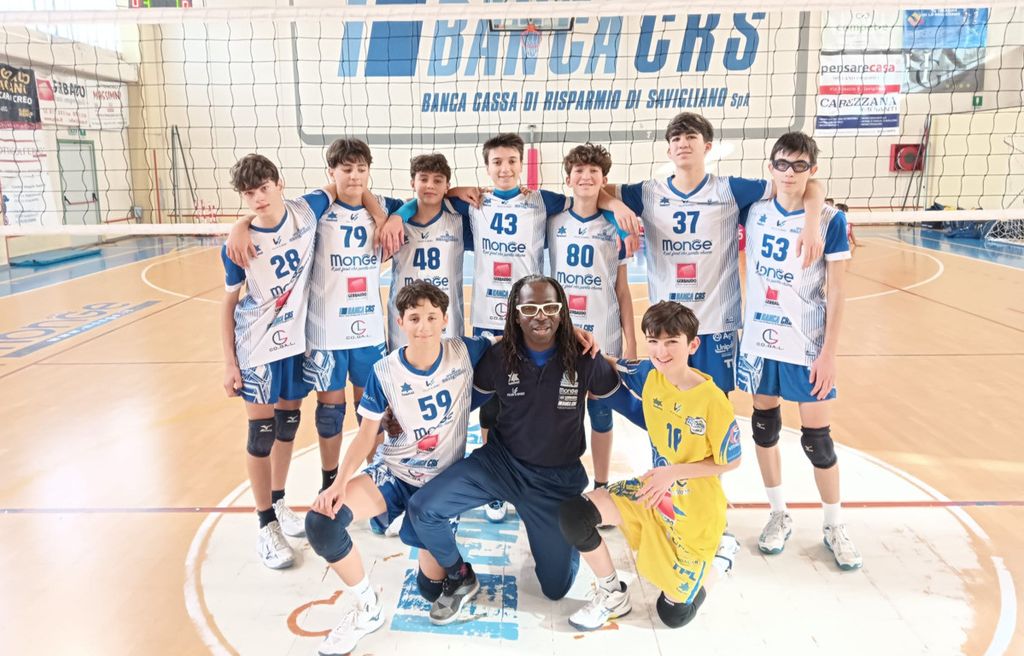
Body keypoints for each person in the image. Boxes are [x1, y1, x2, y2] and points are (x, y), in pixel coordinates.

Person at [443, 132, 638, 522]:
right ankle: (497, 486)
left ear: (522, 164)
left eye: (511, 161)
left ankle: (597, 487)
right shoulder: (474, 203)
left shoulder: (544, 204)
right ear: (486, 167)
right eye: (497, 162)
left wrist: (615, 202)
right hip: (492, 318)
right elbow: (432, 196)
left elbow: (590, 195)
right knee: (495, 404)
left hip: (552, 322)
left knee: (589, 409)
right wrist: (455, 189)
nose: (504, 168)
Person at [405, 275, 620, 624]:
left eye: (550, 307)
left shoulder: (584, 357)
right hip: (501, 465)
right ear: (515, 315)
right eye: (530, 309)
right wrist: (403, 416)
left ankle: (560, 530)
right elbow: (458, 403)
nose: (541, 316)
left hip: (555, 481)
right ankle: (460, 574)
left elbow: (626, 397)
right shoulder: (498, 357)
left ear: (563, 312)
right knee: (424, 508)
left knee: (555, 588)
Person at [304, 281, 497, 656]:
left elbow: (515, 341)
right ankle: (367, 607)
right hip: (395, 472)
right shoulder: (385, 371)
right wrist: (338, 483)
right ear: (400, 322)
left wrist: (572, 333)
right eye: (414, 318)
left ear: (445, 319)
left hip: (440, 487)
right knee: (322, 523)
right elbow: (366, 435)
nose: (423, 326)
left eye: (431, 317)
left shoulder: (464, 351)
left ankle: (446, 561)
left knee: (430, 590)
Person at [225, 139, 404, 512]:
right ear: (331, 173)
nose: (353, 176)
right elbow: (268, 215)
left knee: (371, 412)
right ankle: (328, 485)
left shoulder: (384, 206)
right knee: (329, 413)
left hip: (369, 328)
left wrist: (391, 218)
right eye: (345, 169)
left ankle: (376, 487)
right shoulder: (315, 212)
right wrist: (240, 224)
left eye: (361, 169)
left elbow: (419, 203)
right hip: (324, 331)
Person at [607, 112, 825, 394]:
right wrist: (617, 207)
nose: (683, 143)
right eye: (676, 138)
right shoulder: (648, 192)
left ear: (707, 146)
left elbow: (808, 183)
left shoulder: (730, 189)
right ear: (668, 150)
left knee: (714, 400)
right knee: (669, 398)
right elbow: (595, 190)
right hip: (666, 325)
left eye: (691, 137)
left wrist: (812, 224)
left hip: (716, 322)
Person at [559, 301, 742, 631]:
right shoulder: (650, 375)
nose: (661, 351)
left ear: (692, 345)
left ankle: (722, 557)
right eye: (654, 341)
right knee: (574, 515)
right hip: (653, 496)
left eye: (672, 342)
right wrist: (584, 339)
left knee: (673, 615)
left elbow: (732, 460)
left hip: (694, 515)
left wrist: (673, 472)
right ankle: (612, 594)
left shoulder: (712, 400)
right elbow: (611, 363)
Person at [736, 132, 862, 570]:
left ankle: (834, 525)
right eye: (782, 164)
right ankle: (778, 514)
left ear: (813, 170)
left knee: (817, 441)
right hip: (759, 339)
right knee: (764, 428)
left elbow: (838, 292)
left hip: (806, 344)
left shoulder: (830, 220)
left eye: (799, 165)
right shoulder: (753, 210)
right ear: (770, 167)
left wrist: (829, 354)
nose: (789, 173)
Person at [220, 153, 334, 568]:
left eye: (264, 188)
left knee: (288, 425)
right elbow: (227, 305)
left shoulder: (307, 210)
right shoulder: (238, 246)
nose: (258, 199)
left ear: (279, 183)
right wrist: (229, 363)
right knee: (261, 434)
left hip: (295, 343)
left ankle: (279, 501)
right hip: (256, 346)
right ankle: (265, 524)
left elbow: (342, 185)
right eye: (249, 194)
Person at [547, 142, 636, 490]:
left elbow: (623, 291)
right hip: (562, 336)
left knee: (601, 413)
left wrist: (631, 343)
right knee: (562, 414)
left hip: (605, 334)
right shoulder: (553, 221)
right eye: (579, 171)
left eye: (593, 172)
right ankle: (560, 483)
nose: (586, 177)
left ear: (604, 179)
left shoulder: (616, 228)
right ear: (568, 179)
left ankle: (601, 484)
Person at [387, 153, 470, 350]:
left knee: (448, 363)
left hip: (447, 317)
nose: (430, 185)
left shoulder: (459, 221)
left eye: (437, 180)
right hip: (405, 314)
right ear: (412, 183)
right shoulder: (395, 220)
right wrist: (396, 216)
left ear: (447, 186)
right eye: (423, 179)